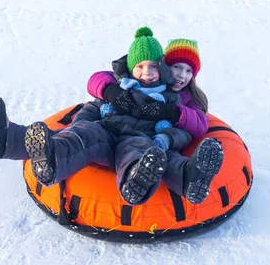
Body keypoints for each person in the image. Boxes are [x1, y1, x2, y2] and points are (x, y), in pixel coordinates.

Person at [0, 27, 193, 206]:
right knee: (82, 134)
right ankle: (15, 144)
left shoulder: (170, 98)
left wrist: (166, 137)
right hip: (106, 130)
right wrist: (81, 122)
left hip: (140, 137)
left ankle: (136, 179)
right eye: (140, 66)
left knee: (137, 149)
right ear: (131, 67)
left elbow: (183, 128)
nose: (147, 72)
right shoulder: (120, 87)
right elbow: (95, 103)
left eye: (153, 67)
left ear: (162, 69)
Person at [86, 38, 223, 204]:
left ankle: (192, 178)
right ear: (164, 66)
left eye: (189, 71)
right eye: (177, 67)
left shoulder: (190, 97)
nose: (182, 75)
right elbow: (98, 78)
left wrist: (172, 112)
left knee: (167, 157)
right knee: (133, 148)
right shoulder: (149, 78)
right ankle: (137, 173)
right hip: (127, 133)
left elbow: (200, 124)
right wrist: (110, 90)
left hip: (165, 138)